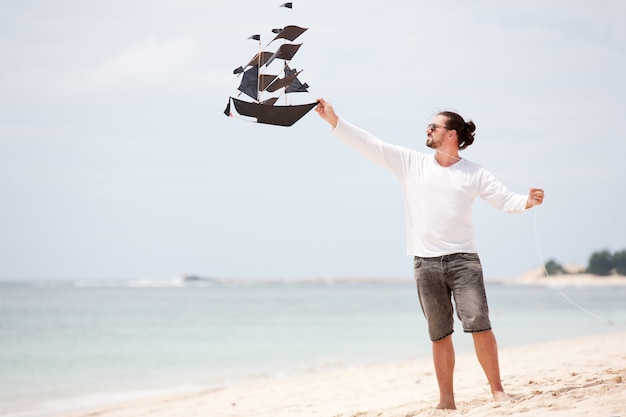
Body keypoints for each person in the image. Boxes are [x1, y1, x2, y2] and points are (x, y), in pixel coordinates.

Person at [315, 98, 545, 410]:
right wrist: (335, 120)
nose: (428, 129)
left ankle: (497, 390)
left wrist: (528, 202)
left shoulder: (474, 173)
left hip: (464, 262)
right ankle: (446, 401)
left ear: (451, 134)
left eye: (434, 126)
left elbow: (506, 201)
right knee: (439, 334)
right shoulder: (412, 163)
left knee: (479, 322)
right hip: (425, 263)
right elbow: (371, 145)